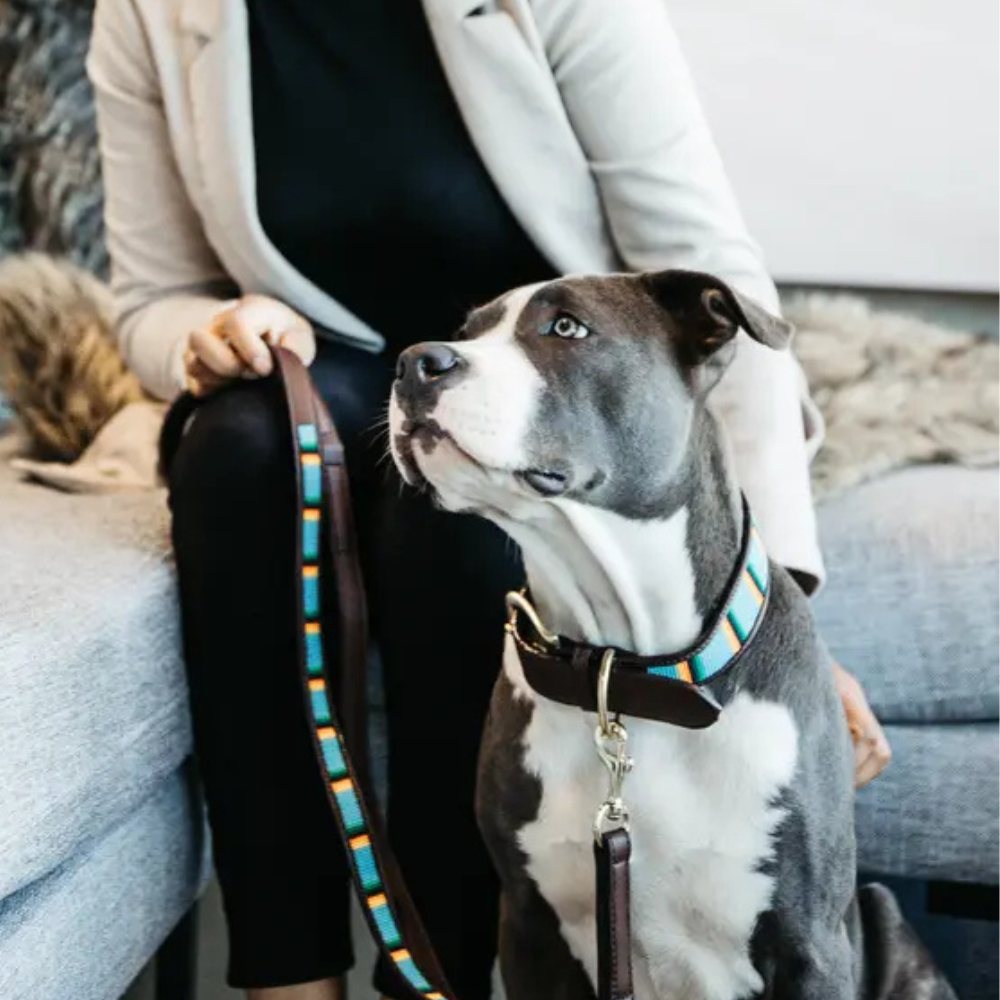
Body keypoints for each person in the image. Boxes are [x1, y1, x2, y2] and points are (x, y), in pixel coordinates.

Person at [87, 1, 891, 997]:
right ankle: (288, 983)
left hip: (547, 396)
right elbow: (149, 298)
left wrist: (777, 608)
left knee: (470, 527)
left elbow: (710, 276)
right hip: (325, 376)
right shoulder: (149, 11)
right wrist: (204, 332)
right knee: (236, 452)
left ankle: (438, 980)